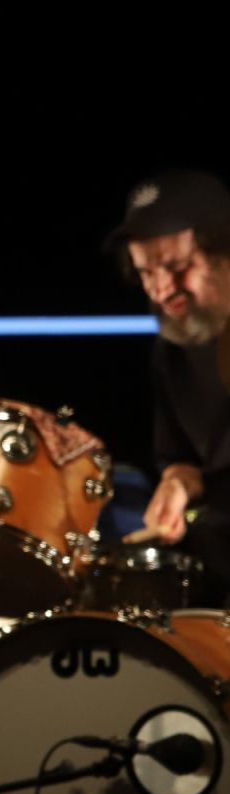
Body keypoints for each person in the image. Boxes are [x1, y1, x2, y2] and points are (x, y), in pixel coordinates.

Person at [110, 168, 230, 599]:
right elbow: (182, 457)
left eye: (177, 267)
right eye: (146, 273)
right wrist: (177, 485)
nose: (161, 290)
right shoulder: (173, 347)